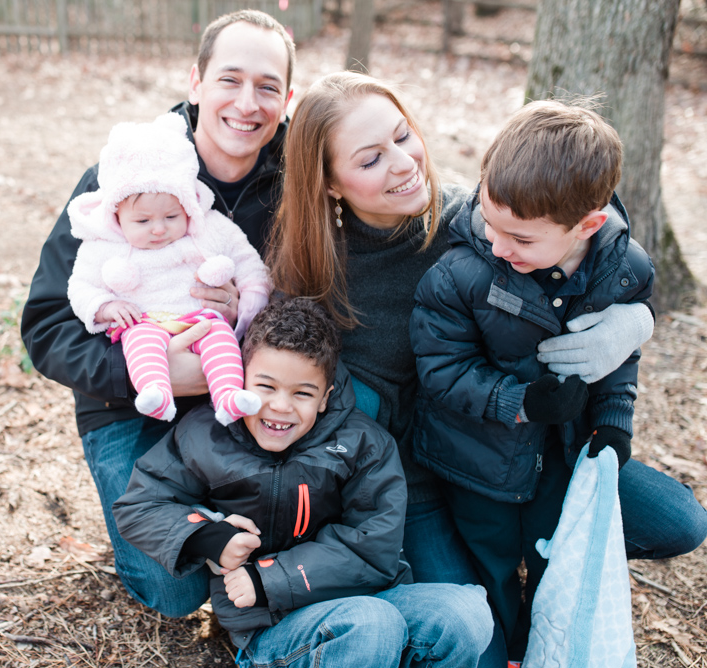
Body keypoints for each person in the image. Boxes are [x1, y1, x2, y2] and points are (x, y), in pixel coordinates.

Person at [265, 71, 707, 667]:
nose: (403, 164)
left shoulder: (476, 221)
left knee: (677, 523)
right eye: (371, 159)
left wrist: (635, 321)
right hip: (417, 481)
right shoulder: (316, 276)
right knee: (487, 648)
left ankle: (548, 548)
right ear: (329, 184)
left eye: (403, 136)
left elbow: (583, 221)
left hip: (523, 447)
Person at [21, 9, 294, 617]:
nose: (247, 103)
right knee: (175, 591)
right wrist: (149, 373)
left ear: (286, 98)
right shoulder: (126, 174)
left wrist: (250, 317)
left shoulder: (296, 182)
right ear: (195, 83)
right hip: (132, 398)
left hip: (237, 389)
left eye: (267, 86)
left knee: (272, 558)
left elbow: (309, 302)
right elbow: (45, 325)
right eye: (229, 79)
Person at [113, 297, 492, 668]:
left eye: (302, 393)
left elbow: (373, 547)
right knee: (370, 623)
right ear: (240, 376)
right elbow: (141, 504)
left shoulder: (365, 444)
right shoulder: (207, 434)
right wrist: (209, 537)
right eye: (265, 387)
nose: (280, 406)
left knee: (466, 612)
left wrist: (269, 577)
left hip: (360, 596)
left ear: (325, 398)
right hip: (272, 621)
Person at [408, 100, 654, 663]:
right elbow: (441, 370)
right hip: (476, 459)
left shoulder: (623, 268)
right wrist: (519, 400)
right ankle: (503, 644)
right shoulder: (461, 273)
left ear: (587, 225)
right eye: (489, 223)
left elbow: (617, 355)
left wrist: (614, 422)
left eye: (519, 238)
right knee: (491, 563)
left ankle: (537, 645)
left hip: (562, 460)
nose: (498, 245)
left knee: (551, 555)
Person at [66, 112, 271, 425]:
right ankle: (156, 393)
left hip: (200, 318)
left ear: (187, 205)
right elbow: (79, 287)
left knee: (220, 338)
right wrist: (105, 306)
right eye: (143, 221)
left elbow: (246, 259)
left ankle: (229, 396)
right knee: (139, 342)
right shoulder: (103, 245)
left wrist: (252, 295)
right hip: (146, 321)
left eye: (172, 217)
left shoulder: (208, 227)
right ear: (116, 215)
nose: (159, 230)